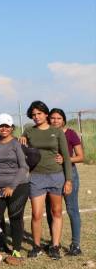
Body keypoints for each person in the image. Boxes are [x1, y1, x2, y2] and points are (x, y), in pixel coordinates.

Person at [22, 101, 72, 260]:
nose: (36, 117)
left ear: (46, 114)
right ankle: (36, 246)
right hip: (36, 177)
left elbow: (66, 157)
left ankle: (55, 246)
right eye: (34, 114)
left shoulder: (57, 132)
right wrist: (22, 138)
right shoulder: (28, 131)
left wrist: (68, 180)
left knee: (56, 211)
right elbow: (23, 150)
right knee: (36, 214)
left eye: (39, 114)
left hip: (56, 176)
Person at [0, 113, 29, 261]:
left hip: (18, 186)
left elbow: (23, 167)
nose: (4, 128)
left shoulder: (17, 144)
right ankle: (1, 245)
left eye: (7, 126)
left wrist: (12, 186)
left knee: (15, 217)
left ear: (12, 128)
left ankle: (16, 249)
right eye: (1, 126)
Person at [47, 108, 84, 256]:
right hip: (50, 175)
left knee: (72, 209)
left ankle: (76, 245)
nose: (55, 121)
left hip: (69, 174)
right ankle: (54, 243)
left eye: (58, 118)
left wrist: (65, 159)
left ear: (63, 120)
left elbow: (81, 156)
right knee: (52, 210)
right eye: (53, 118)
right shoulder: (46, 134)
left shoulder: (70, 134)